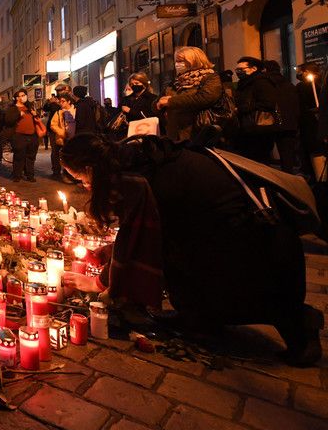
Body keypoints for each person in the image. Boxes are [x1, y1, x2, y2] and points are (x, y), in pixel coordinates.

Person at [60, 133, 322, 367]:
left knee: (239, 287)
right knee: (183, 265)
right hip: (236, 231)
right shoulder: (138, 159)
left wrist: (98, 282)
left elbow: (139, 242)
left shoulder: (134, 180)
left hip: (248, 242)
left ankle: (300, 325)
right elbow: (144, 231)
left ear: (90, 168)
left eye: (81, 179)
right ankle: (200, 320)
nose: (84, 186)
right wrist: (110, 251)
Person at [156, 46, 223, 143]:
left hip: (197, 131)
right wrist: (159, 104)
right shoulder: (176, 81)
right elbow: (157, 102)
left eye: (181, 61)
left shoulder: (210, 77)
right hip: (174, 133)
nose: (177, 64)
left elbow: (205, 98)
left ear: (195, 60)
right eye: (176, 61)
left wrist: (170, 101)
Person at [233, 56, 278, 161]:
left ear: (254, 68)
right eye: (237, 70)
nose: (238, 72)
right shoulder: (243, 84)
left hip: (259, 129)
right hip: (246, 128)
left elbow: (268, 103)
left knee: (259, 159)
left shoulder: (261, 82)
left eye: (241, 69)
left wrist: (241, 109)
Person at [264, 60, 299, 173]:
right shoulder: (289, 84)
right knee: (287, 156)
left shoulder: (265, 85)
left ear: (265, 70)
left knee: (264, 155)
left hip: (270, 123)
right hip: (289, 124)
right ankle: (288, 177)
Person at [4, 90, 41, 182]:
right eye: (21, 95)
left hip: (32, 136)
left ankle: (30, 175)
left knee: (31, 157)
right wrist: (18, 114)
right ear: (17, 98)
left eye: (24, 95)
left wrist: (35, 114)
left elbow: (37, 118)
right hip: (19, 136)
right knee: (19, 156)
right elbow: (8, 120)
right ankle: (17, 176)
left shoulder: (30, 106)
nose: (23, 97)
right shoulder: (13, 108)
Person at [296, 63, 324, 180]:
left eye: (300, 71)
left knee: (312, 151)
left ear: (307, 72)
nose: (298, 73)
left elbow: (300, 106)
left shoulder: (303, 86)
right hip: (317, 124)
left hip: (309, 125)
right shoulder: (321, 84)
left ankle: (315, 176)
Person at [44, 84, 70, 178]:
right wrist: (50, 103)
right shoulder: (54, 101)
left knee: (67, 151)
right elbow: (46, 109)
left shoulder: (68, 99)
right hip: (54, 130)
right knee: (55, 151)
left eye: (61, 90)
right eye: (58, 91)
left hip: (67, 128)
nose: (59, 93)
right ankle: (56, 171)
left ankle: (68, 172)